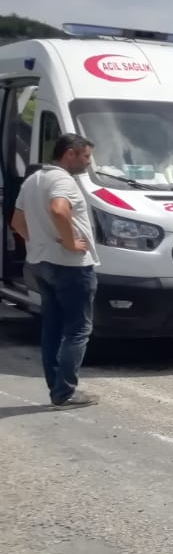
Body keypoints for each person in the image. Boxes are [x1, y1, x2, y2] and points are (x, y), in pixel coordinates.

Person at [8, 133, 99, 407]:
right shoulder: (62, 180)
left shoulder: (33, 179)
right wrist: (69, 242)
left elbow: (17, 223)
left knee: (52, 327)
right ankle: (66, 392)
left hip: (41, 263)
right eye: (85, 156)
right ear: (69, 153)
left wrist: (40, 243)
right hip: (71, 266)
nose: (88, 162)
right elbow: (58, 210)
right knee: (78, 329)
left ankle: (57, 389)